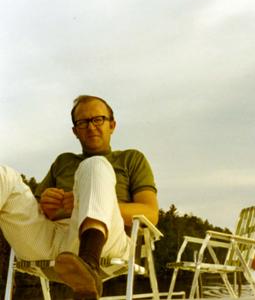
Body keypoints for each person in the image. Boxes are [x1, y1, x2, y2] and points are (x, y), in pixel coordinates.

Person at [0, 95, 158, 299]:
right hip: (51, 241)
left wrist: (88, 202)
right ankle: (83, 270)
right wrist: (45, 204)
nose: (91, 127)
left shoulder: (131, 159)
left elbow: (151, 214)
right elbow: (36, 210)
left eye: (98, 119)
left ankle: (88, 265)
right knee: (5, 177)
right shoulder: (62, 161)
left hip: (107, 243)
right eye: (83, 122)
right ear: (75, 131)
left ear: (112, 124)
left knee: (95, 165)